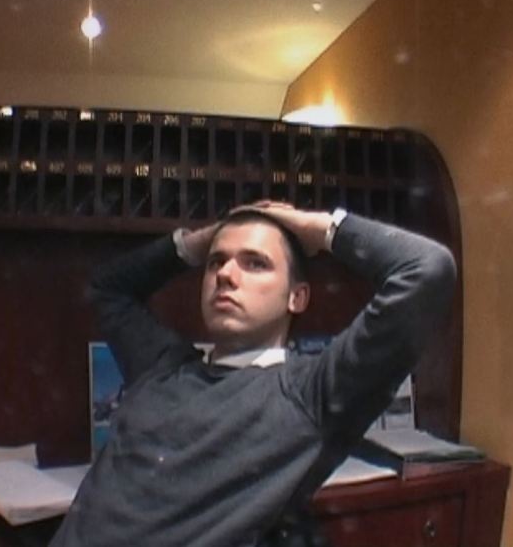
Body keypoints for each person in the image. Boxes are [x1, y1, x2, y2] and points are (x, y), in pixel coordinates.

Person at [49, 201, 456, 547]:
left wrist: (320, 229)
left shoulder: (308, 393)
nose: (225, 275)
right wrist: (193, 245)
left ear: (297, 297)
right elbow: (107, 288)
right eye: (216, 262)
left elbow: (426, 269)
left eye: (255, 263)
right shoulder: (162, 367)